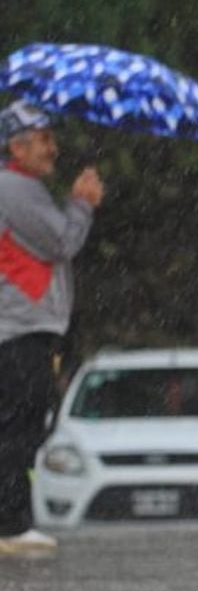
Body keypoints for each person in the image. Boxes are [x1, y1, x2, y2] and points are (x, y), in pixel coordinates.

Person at [0, 102, 103, 554]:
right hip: (20, 329)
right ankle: (12, 522)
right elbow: (64, 241)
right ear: (15, 145)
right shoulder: (16, 188)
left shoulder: (20, 188)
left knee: (19, 425)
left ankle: (13, 518)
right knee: (20, 427)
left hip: (21, 328)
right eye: (43, 138)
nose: (53, 148)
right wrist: (81, 203)